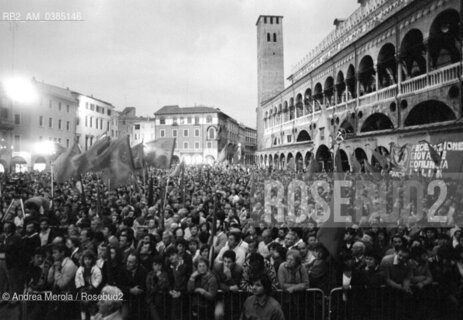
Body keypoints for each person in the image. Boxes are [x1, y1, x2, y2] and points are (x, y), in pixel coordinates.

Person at [75, 250, 103, 320]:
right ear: (83, 260)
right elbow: (77, 279)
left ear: (92, 259)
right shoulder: (80, 269)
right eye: (86, 259)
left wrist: (93, 286)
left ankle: (92, 318)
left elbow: (99, 278)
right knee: (82, 306)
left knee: (92, 306)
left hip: (92, 290)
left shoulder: (96, 269)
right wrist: (79, 287)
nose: (87, 261)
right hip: (83, 289)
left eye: (89, 259)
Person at [146, 256, 170, 320]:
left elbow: (165, 286)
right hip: (152, 300)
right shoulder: (149, 275)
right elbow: (150, 288)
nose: (157, 267)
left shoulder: (165, 274)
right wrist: (156, 279)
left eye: (159, 264)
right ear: (152, 266)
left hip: (163, 300)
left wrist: (159, 278)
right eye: (155, 265)